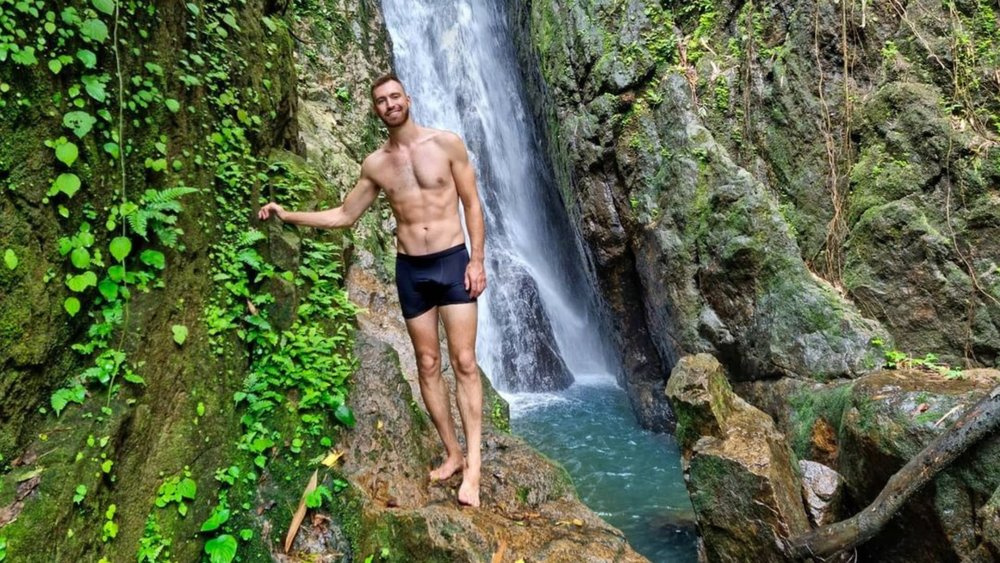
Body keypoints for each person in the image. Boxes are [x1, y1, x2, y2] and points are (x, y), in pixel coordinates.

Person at [258, 73, 487, 507]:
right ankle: (452, 452)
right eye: (381, 101)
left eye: (395, 96)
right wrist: (288, 215)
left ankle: (473, 466)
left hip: (453, 260)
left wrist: (477, 260)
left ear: (408, 98)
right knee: (427, 361)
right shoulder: (376, 165)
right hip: (411, 270)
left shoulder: (447, 144)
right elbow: (345, 215)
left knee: (464, 361)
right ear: (376, 110)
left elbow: (472, 203)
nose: (390, 104)